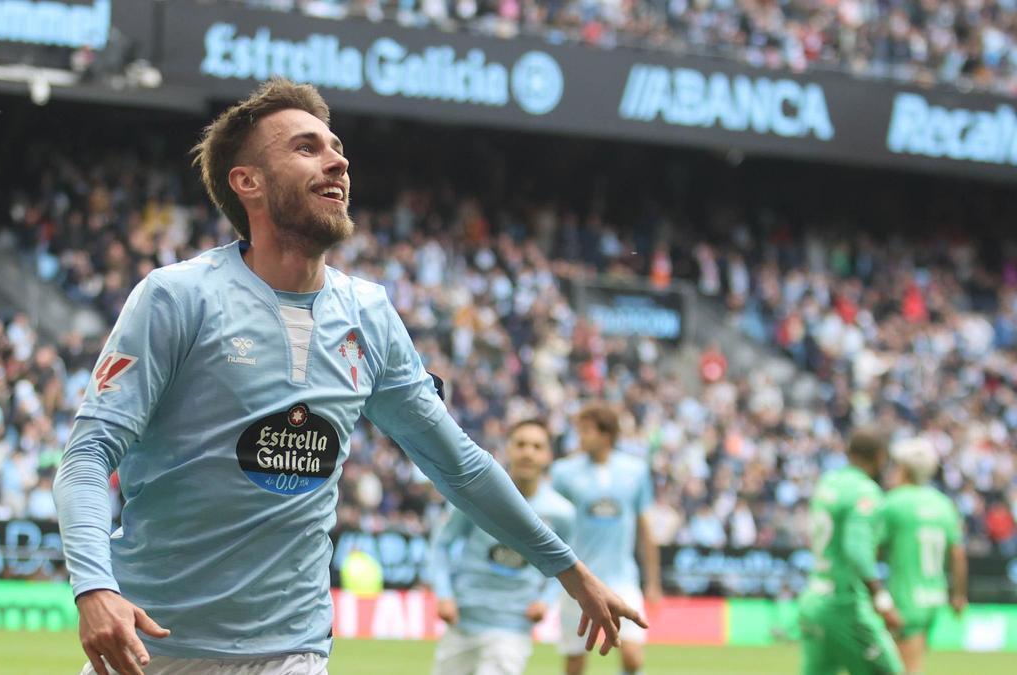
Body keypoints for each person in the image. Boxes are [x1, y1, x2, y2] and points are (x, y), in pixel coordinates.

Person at [53, 79, 645, 675]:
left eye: (336, 147)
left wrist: (568, 569)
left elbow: (458, 465)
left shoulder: (369, 314)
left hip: (292, 653)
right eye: (306, 148)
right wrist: (93, 587)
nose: (338, 159)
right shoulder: (176, 298)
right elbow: (87, 455)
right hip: (152, 650)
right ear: (248, 181)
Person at [428, 418, 576, 675]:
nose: (528, 452)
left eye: (537, 446)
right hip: (462, 620)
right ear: (508, 449)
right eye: (521, 444)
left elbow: (566, 566)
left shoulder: (562, 513)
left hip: (513, 627)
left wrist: (545, 601)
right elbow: (442, 544)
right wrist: (444, 594)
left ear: (548, 455)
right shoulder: (476, 495)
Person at [551, 402, 660, 675]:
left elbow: (646, 529)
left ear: (606, 435)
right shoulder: (563, 472)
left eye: (586, 431)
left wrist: (653, 581)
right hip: (578, 579)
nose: (580, 437)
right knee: (575, 663)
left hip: (622, 578)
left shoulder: (635, 471)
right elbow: (551, 523)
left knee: (632, 656)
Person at [797, 428, 904, 675]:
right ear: (880, 456)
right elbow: (856, 549)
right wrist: (882, 600)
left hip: (814, 598)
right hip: (843, 603)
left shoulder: (828, 483)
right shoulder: (865, 491)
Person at [881, 437, 967, 675]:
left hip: (905, 598)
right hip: (933, 597)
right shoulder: (943, 504)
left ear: (903, 469)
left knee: (905, 670)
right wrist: (958, 596)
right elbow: (958, 554)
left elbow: (872, 549)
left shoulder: (894, 503)